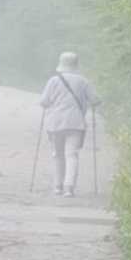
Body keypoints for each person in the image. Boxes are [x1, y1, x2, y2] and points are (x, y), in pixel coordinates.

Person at [38, 51, 99, 196]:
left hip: (56, 122)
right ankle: (69, 187)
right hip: (75, 123)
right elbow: (95, 100)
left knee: (57, 154)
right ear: (76, 64)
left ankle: (58, 186)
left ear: (61, 63)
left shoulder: (53, 80)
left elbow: (44, 102)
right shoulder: (83, 81)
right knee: (72, 155)